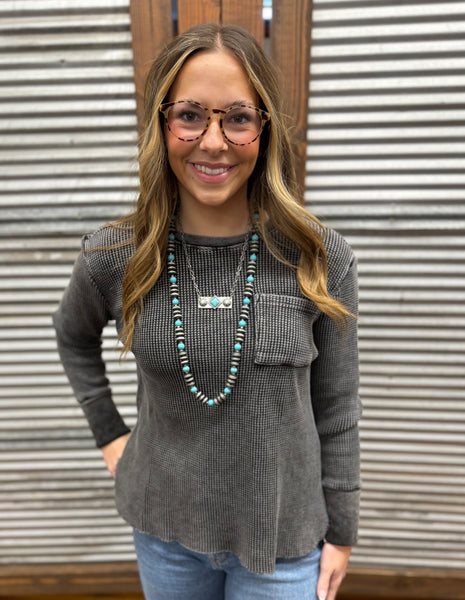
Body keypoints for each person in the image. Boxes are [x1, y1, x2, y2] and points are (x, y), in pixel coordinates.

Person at [53, 22, 361, 600]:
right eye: (191, 115)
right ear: (162, 124)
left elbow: (338, 408)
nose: (213, 142)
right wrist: (109, 433)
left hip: (284, 541)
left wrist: (342, 532)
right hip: (164, 532)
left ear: (264, 129)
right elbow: (71, 336)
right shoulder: (113, 257)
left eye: (237, 118)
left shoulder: (319, 258)